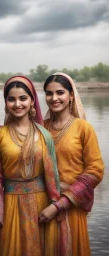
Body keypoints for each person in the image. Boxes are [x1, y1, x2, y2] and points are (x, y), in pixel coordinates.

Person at [0, 76, 72, 256]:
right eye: (11, 99)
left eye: (23, 98)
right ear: (5, 103)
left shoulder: (44, 134)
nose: (17, 104)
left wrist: (54, 205)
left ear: (32, 101)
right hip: (11, 204)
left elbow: (52, 176)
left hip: (42, 206)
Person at [43, 72, 104, 256]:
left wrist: (62, 203)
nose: (54, 98)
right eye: (49, 93)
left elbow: (95, 171)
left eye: (60, 93)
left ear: (71, 95)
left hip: (71, 207)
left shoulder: (83, 128)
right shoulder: (40, 127)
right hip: (42, 205)